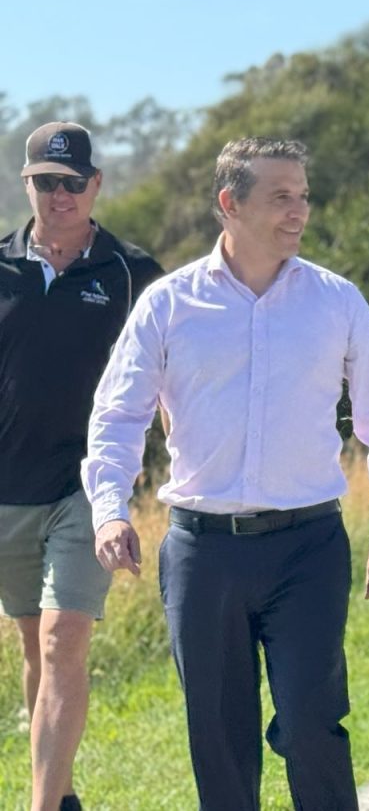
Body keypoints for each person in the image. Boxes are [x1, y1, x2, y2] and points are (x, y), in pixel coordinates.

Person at [82, 137, 369, 811]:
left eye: (303, 196)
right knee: (218, 737)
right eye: (281, 197)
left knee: (310, 723)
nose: (299, 211)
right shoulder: (169, 305)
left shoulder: (337, 302)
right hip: (202, 554)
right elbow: (118, 416)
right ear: (229, 205)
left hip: (308, 548)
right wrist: (110, 509)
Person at [0, 122, 163, 811]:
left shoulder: (133, 274)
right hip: (8, 490)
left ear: (96, 185)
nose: (59, 195)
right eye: (46, 181)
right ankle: (60, 796)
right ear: (26, 184)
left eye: (73, 183)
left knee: (67, 640)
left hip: (89, 489)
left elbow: (173, 374)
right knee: (35, 650)